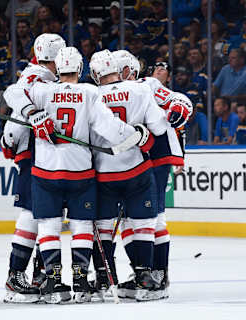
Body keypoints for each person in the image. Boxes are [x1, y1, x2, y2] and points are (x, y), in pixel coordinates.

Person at [25, 47, 151, 304]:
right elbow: (110, 128)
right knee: (81, 225)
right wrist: (135, 137)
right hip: (79, 171)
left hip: (45, 170)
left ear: (57, 69)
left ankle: (55, 284)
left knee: (49, 225)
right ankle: (81, 283)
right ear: (81, 69)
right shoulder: (90, 92)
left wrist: (31, 112)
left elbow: (13, 92)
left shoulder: (41, 90)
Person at [90, 49, 168, 302]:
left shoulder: (91, 95)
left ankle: (104, 277)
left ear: (93, 73)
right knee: (143, 224)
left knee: (103, 226)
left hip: (104, 173)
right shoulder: (140, 90)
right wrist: (141, 133)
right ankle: (144, 276)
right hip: (137, 170)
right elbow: (159, 126)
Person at [114, 53, 192, 300]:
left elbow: (179, 101)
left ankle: (158, 273)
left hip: (155, 158)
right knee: (126, 218)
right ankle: (141, 272)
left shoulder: (147, 85)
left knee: (154, 215)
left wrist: (179, 108)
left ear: (131, 70)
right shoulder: (106, 90)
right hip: (128, 161)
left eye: (119, 69)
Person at [2, 33, 66, 304]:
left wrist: (10, 140)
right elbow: (16, 102)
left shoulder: (46, 78)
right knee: (32, 213)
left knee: (46, 215)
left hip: (46, 155)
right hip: (34, 154)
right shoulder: (35, 77)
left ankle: (40, 273)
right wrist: (12, 137)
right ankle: (15, 277)